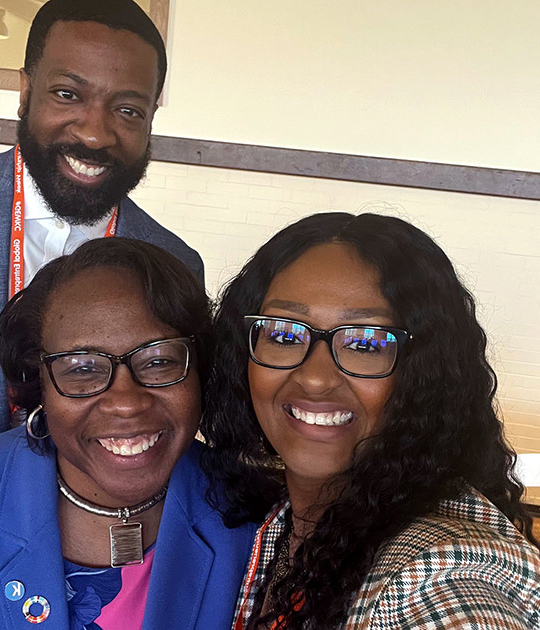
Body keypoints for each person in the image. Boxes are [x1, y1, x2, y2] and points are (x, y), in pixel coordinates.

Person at [202, 213, 540, 630]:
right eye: (285, 335)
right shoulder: (280, 523)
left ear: (423, 373)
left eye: (366, 342)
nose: (315, 377)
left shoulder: (429, 575)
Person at [0, 0, 203, 466]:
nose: (94, 134)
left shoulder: (174, 263)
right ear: (26, 91)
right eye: (68, 94)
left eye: (128, 110)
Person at [0, 237, 253, 630]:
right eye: (82, 368)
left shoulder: (256, 522)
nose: (126, 402)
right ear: (39, 381)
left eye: (159, 360)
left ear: (199, 370)